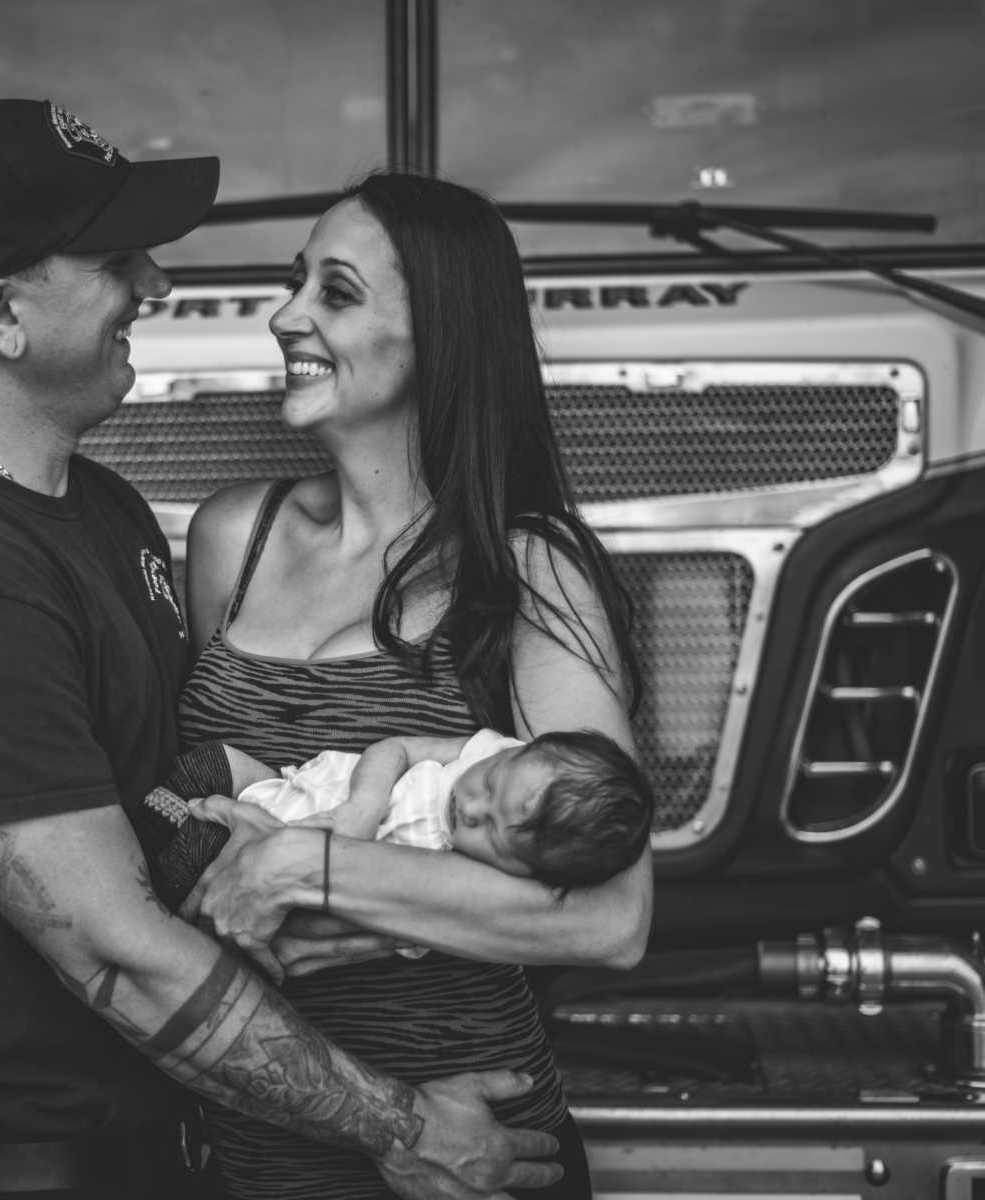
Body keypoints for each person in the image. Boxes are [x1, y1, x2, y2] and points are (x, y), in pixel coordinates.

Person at [0, 100, 562, 1200]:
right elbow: (114, 951)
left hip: (156, 1141)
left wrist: (324, 868)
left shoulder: (92, 508)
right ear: (1, 314)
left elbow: (158, 795)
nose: (155, 287)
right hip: (13, 1168)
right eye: (116, 260)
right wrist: (401, 1123)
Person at [164, 171, 655, 1200]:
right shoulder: (230, 539)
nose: (283, 315)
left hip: (470, 1151)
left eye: (334, 293)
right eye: (294, 283)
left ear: (439, 335)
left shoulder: (529, 569)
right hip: (253, 1148)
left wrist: (305, 874)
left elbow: (609, 919)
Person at [147, 727, 652, 913]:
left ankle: (147, 859)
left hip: (255, 863)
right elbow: (397, 747)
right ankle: (145, 823)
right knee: (206, 764)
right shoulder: (491, 750)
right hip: (292, 788)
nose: (471, 807)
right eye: (492, 783)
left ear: (524, 875)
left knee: (190, 859)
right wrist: (365, 806)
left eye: (492, 834)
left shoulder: (453, 881)